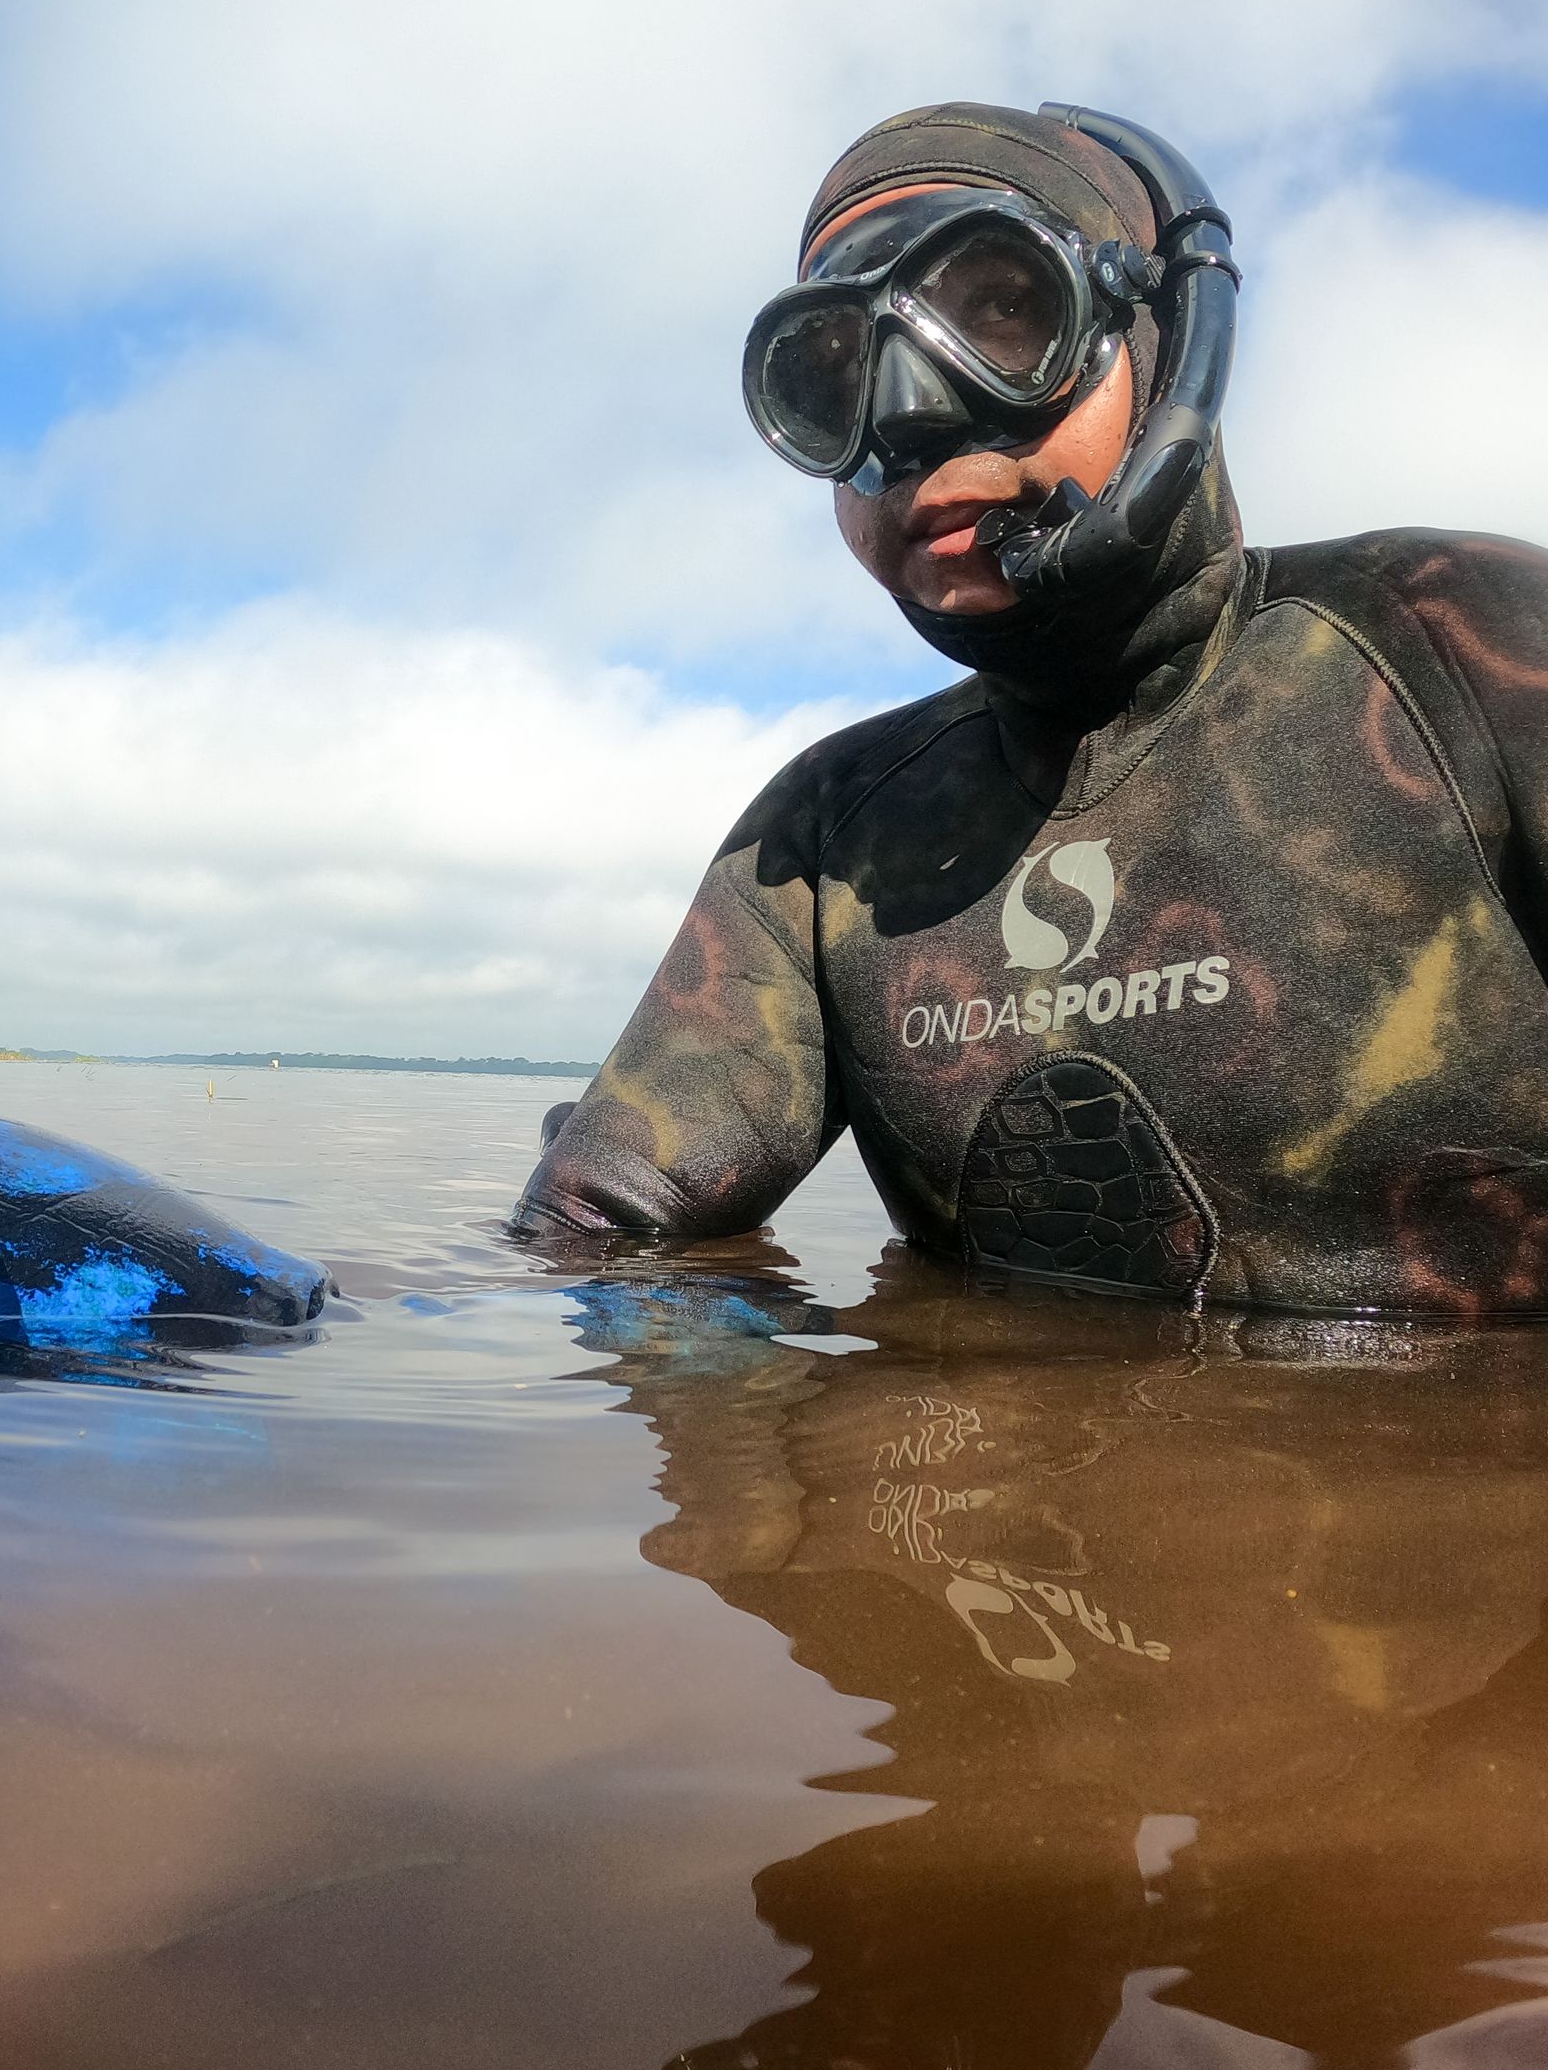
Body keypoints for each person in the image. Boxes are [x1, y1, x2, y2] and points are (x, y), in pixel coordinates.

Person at [520, 101, 1548, 1317]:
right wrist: (774, 1429)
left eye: (1003, 311)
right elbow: (591, 1240)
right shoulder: (826, 839)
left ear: (1167, 341)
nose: (910, 418)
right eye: (835, 374)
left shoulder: (1462, 640)